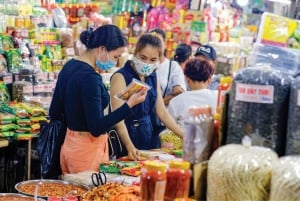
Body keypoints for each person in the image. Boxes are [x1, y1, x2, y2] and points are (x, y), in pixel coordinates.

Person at [49, 25, 148, 174]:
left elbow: (54, 111)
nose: (115, 63)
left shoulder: (69, 66)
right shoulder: (90, 78)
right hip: (86, 153)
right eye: (115, 57)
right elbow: (96, 128)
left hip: (68, 145)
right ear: (102, 49)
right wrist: (129, 105)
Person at [110, 33, 184, 160]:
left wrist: (184, 135)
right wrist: (129, 146)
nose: (146, 63)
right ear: (135, 52)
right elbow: (118, 119)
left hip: (148, 133)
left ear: (160, 59)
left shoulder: (153, 77)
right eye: (143, 58)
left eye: (153, 60)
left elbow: (162, 112)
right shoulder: (120, 77)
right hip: (126, 135)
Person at [168, 58, 218, 127]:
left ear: (187, 79)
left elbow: (169, 128)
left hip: (182, 136)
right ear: (209, 80)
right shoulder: (218, 97)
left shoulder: (176, 101)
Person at [149, 28, 187, 105]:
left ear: (165, 44)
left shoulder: (173, 67)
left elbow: (179, 92)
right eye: (151, 43)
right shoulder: (143, 65)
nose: (154, 46)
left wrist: (157, 106)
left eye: (158, 42)